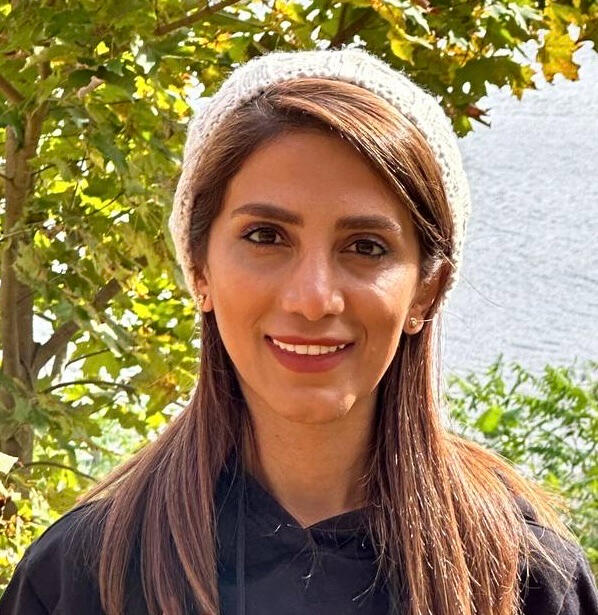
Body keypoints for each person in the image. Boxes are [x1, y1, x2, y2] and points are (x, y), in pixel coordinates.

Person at [1, 47, 596, 615]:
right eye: (266, 236)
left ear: (427, 289)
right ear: (200, 269)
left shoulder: (524, 579)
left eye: (366, 247)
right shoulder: (82, 578)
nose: (313, 299)